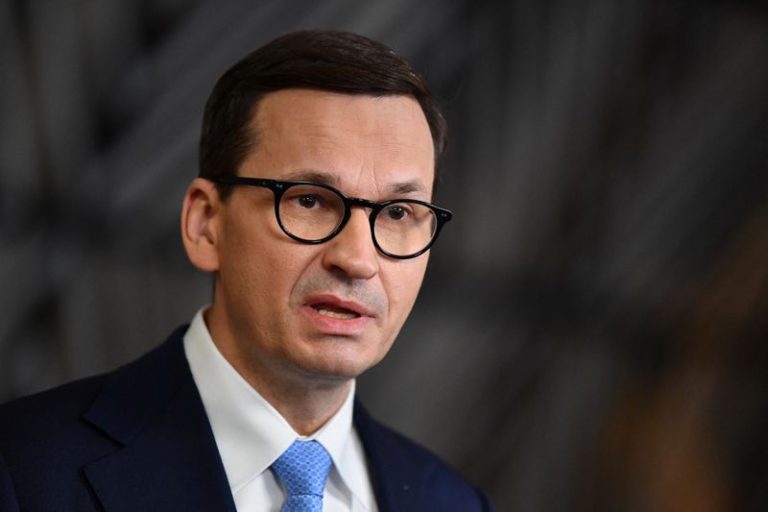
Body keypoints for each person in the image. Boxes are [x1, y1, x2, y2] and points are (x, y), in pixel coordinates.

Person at [0, 30, 492, 511]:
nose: (358, 259)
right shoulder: (22, 471)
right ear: (205, 224)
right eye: (309, 201)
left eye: (399, 213)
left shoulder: (455, 503)